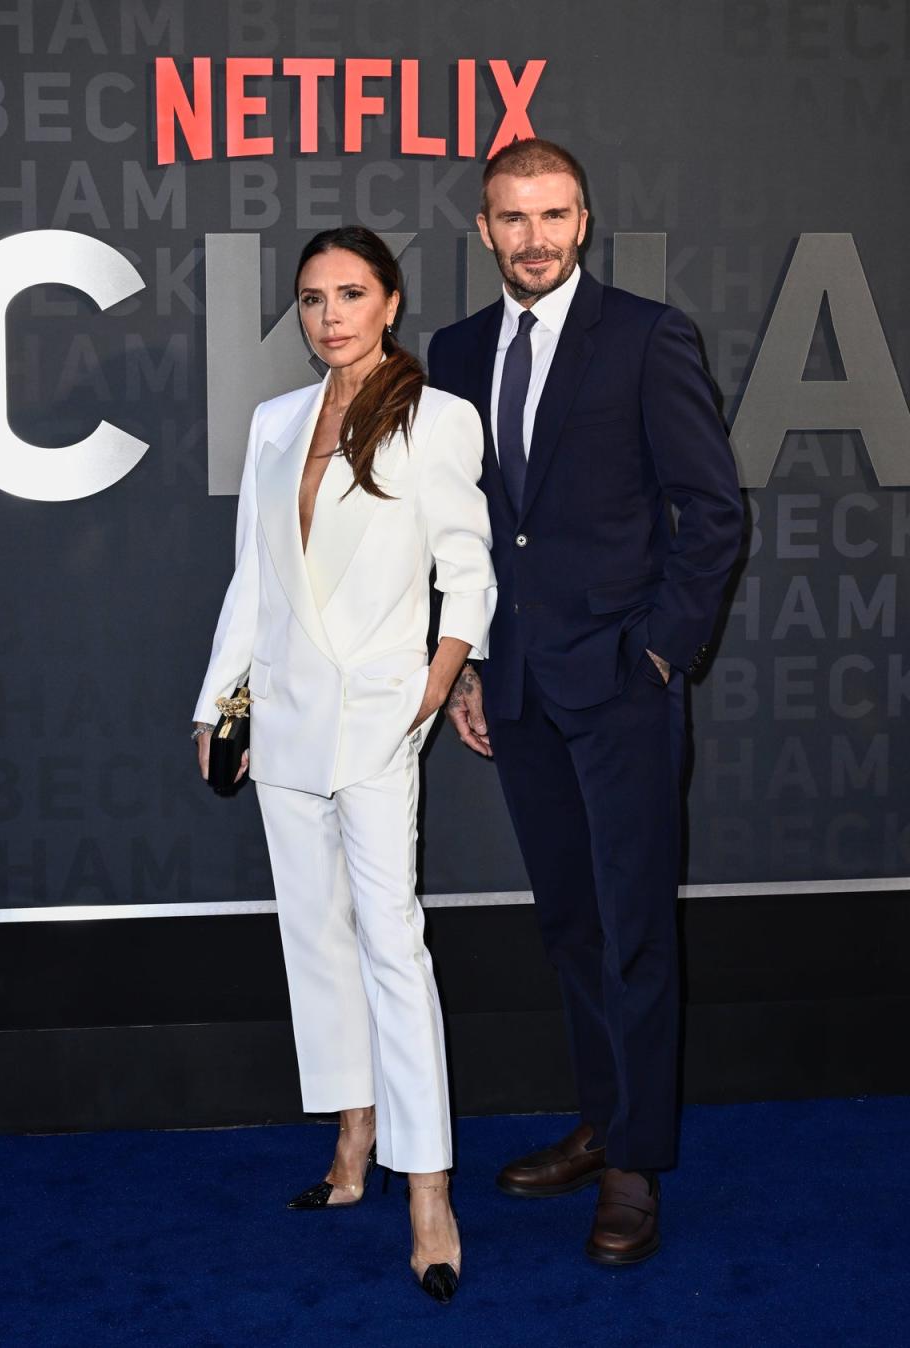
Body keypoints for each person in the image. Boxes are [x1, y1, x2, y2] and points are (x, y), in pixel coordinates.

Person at [429, 139, 743, 1264]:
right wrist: (464, 663)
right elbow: (458, 529)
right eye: (512, 218)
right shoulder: (454, 350)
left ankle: (634, 1164)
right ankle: (604, 1115)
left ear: (585, 219)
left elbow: (712, 512)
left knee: (635, 931)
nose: (534, 237)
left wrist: (661, 655)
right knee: (570, 924)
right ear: (483, 229)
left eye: (553, 214)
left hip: (621, 687)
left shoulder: (650, 338)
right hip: (512, 689)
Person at [192, 226, 496, 1302]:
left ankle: (428, 1187)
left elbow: (468, 571)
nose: (331, 315)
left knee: (392, 945)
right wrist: (216, 699)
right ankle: (353, 1139)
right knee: (314, 938)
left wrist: (432, 680)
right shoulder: (277, 421)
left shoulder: (437, 417)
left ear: (391, 301)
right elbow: (252, 581)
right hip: (280, 716)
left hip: (375, 718)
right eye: (314, 298)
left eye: (351, 293)